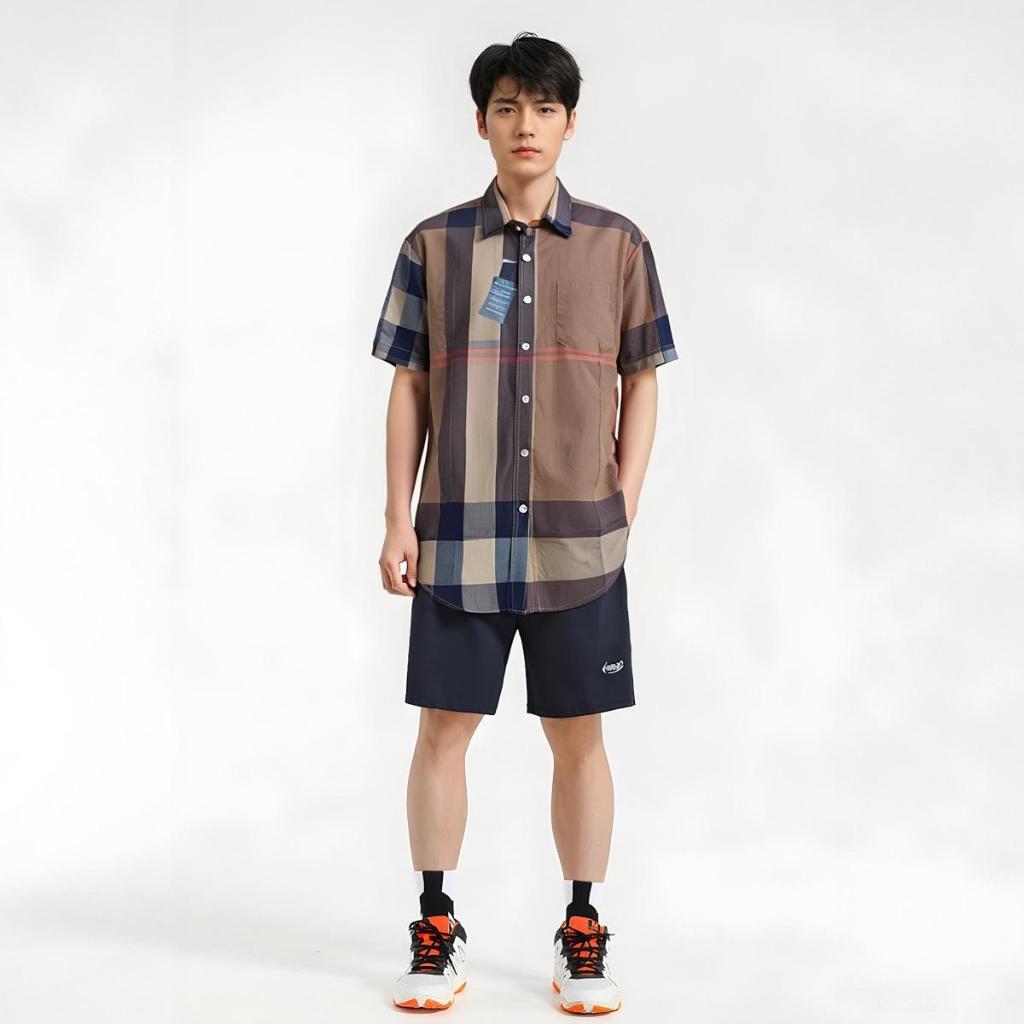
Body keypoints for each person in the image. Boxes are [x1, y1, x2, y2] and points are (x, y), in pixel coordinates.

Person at [371, 31, 678, 1014]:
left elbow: (643, 378)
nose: (525, 125)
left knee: (579, 736)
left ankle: (582, 926)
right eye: (507, 106)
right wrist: (397, 518)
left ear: (570, 122)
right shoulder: (433, 246)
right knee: (442, 731)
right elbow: (409, 386)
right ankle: (435, 922)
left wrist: (625, 499)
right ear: (481, 122)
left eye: (544, 108)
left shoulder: (619, 246)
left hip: (579, 543)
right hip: (457, 536)